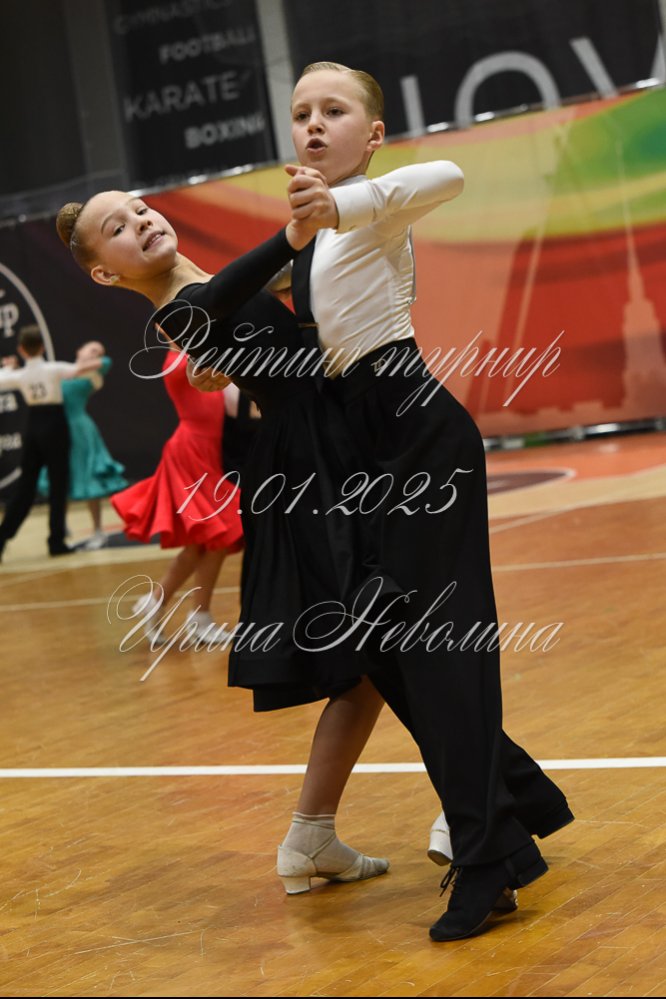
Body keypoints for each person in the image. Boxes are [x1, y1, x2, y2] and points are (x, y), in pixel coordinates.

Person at [279, 61, 574, 940]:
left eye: (334, 110)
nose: (313, 124)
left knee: (443, 655)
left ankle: (485, 859)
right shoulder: (308, 236)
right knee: (387, 653)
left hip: (417, 434)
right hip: (363, 452)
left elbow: (447, 173)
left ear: (372, 134)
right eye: (301, 112)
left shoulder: (376, 204)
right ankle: (512, 814)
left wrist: (341, 204)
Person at [55, 191, 393, 893]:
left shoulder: (201, 293)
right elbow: (227, 294)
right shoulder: (180, 310)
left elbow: (255, 304)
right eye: (117, 228)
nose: (140, 222)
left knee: (372, 664)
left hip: (327, 454)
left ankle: (314, 833)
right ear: (105, 273)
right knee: (385, 647)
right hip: (311, 471)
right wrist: (293, 234)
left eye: (139, 209)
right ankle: (474, 806)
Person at [110, 348, 243, 643]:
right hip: (191, 452)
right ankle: (196, 616)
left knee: (205, 543)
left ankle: (160, 603)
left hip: (207, 452)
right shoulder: (178, 360)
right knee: (222, 532)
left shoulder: (195, 354)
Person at [0, 325, 101, 561]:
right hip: (55, 425)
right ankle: (56, 541)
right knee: (58, 485)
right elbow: (80, 369)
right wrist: (92, 360)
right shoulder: (53, 369)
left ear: (21, 349)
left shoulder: (21, 375)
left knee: (26, 487)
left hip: (33, 426)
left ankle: (2, 538)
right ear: (43, 347)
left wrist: (8, 367)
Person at [38, 340, 128, 549]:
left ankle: (98, 530)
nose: (96, 353)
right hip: (59, 429)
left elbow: (105, 362)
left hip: (81, 431)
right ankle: (61, 527)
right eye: (92, 349)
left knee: (89, 477)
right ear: (80, 350)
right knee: (61, 478)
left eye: (99, 351)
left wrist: (68, 370)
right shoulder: (62, 370)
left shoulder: (95, 371)